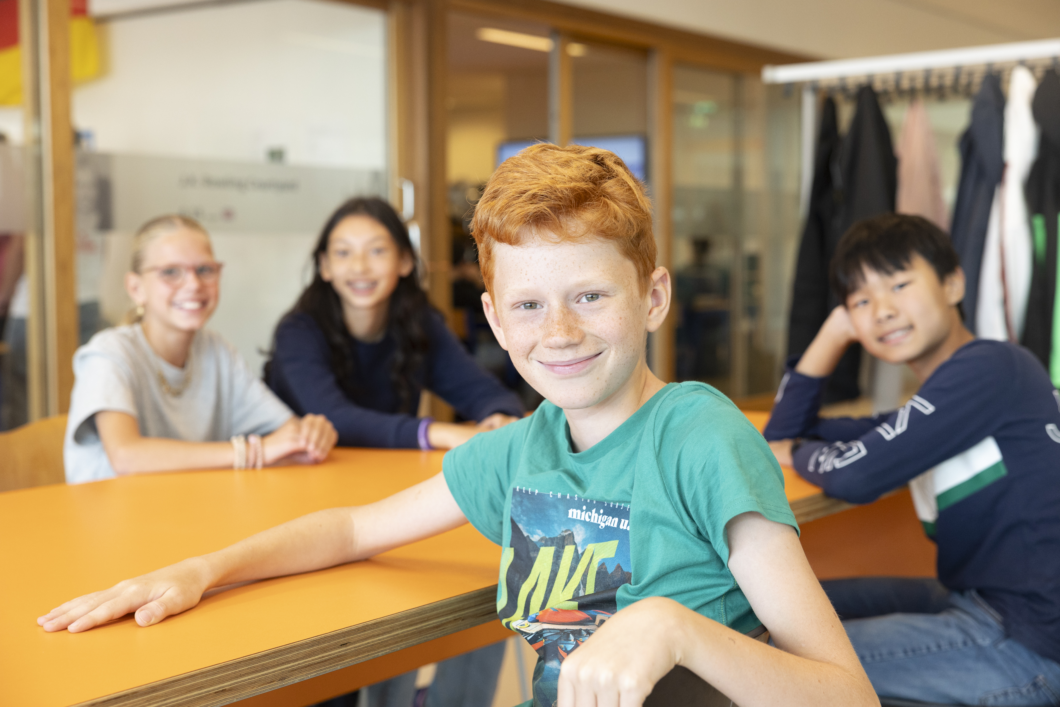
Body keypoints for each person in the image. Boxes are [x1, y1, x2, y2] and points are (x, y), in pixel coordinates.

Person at [40, 145, 876, 707]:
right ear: (496, 321)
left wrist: (675, 627)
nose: (559, 330)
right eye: (528, 305)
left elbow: (845, 691)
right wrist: (202, 569)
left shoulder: (700, 435)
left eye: (590, 294)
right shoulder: (518, 452)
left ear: (652, 296)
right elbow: (352, 527)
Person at [764, 213, 1060, 705]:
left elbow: (853, 473)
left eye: (899, 284)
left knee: (768, 655)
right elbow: (782, 435)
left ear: (953, 283)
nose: (881, 310)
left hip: (1030, 642)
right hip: (986, 603)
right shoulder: (947, 403)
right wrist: (833, 334)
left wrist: (799, 454)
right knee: (785, 608)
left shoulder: (991, 368)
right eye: (860, 300)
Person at [64, 215, 338, 484]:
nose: (193, 284)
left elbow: (288, 434)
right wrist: (253, 452)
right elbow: (126, 457)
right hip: (110, 519)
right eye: (171, 272)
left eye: (205, 270)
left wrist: (310, 436)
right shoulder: (108, 354)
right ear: (136, 288)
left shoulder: (217, 352)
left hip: (186, 513)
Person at [265, 197, 523, 451]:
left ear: (405, 261)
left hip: (383, 471)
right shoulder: (298, 331)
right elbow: (336, 419)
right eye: (343, 253)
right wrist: (436, 433)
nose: (359, 267)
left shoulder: (419, 323)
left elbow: (486, 393)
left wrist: (499, 416)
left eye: (377, 251)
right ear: (325, 266)